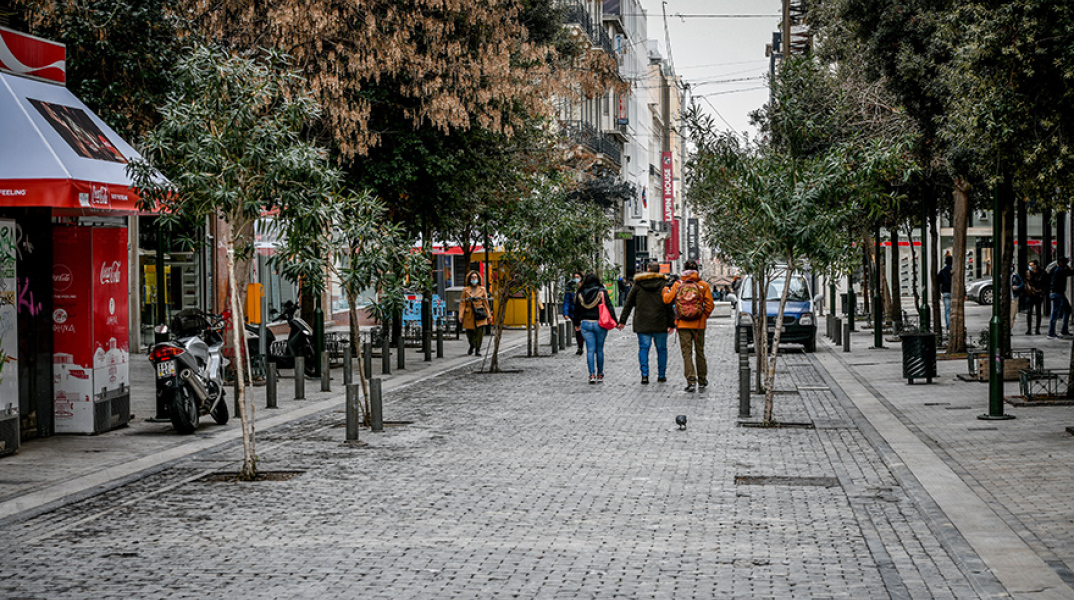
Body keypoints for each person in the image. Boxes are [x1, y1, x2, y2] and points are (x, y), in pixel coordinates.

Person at [617, 263, 676, 384]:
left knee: (644, 348)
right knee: (662, 349)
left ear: (647, 270)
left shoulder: (638, 285)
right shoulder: (664, 285)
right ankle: (661, 375)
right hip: (661, 321)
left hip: (642, 321)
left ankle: (644, 375)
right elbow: (669, 305)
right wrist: (672, 323)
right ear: (659, 271)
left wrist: (622, 321)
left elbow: (628, 304)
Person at [662, 259, 715, 392]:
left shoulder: (678, 284)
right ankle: (702, 379)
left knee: (687, 353)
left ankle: (691, 381)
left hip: (682, 324)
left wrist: (665, 290)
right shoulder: (703, 285)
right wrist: (702, 317)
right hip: (699, 325)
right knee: (700, 352)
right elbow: (710, 305)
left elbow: (667, 299)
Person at [573, 272, 619, 384]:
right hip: (600, 323)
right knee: (599, 350)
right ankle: (600, 374)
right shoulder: (601, 292)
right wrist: (616, 322)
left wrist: (576, 323)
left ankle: (591, 374)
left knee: (590, 350)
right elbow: (609, 306)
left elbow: (576, 310)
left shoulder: (580, 293)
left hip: (585, 324)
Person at [459, 270, 493, 356]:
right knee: (469, 332)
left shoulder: (482, 289)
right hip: (469, 312)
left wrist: (489, 315)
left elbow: (486, 303)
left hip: (480, 312)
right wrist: (461, 315)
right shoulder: (465, 290)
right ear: (469, 279)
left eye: (475, 277)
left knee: (479, 332)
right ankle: (472, 344)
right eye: (472, 277)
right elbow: (462, 303)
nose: (474, 279)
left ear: (478, 278)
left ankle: (478, 349)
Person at [1048, 257, 1073, 339]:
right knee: (1055, 313)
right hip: (1057, 294)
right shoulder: (1060, 270)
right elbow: (1071, 272)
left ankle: (1064, 330)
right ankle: (1051, 333)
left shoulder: (1056, 269)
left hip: (1057, 293)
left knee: (1067, 309)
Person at [562, 272, 584, 355]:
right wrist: (565, 313)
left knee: (584, 329)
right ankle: (580, 346)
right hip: (574, 312)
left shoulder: (584, 287)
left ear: (581, 278)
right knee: (578, 330)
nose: (576, 278)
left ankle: (585, 344)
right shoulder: (570, 287)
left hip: (584, 312)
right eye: (575, 277)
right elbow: (566, 301)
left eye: (578, 277)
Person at [1024, 259, 1046, 335]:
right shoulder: (1028, 273)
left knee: (1038, 312)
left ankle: (1037, 329)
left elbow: (1044, 283)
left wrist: (1041, 292)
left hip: (1038, 294)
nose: (1030, 266)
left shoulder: (1042, 273)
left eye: (1031, 265)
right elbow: (1027, 283)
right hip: (1030, 294)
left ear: (1035, 266)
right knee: (1029, 312)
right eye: (1029, 265)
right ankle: (1029, 329)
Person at [938, 255, 953, 331]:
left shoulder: (942, 271)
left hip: (945, 292)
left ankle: (948, 326)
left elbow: (938, 282)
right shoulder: (955, 271)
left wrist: (938, 294)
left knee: (947, 310)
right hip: (954, 292)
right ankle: (954, 326)